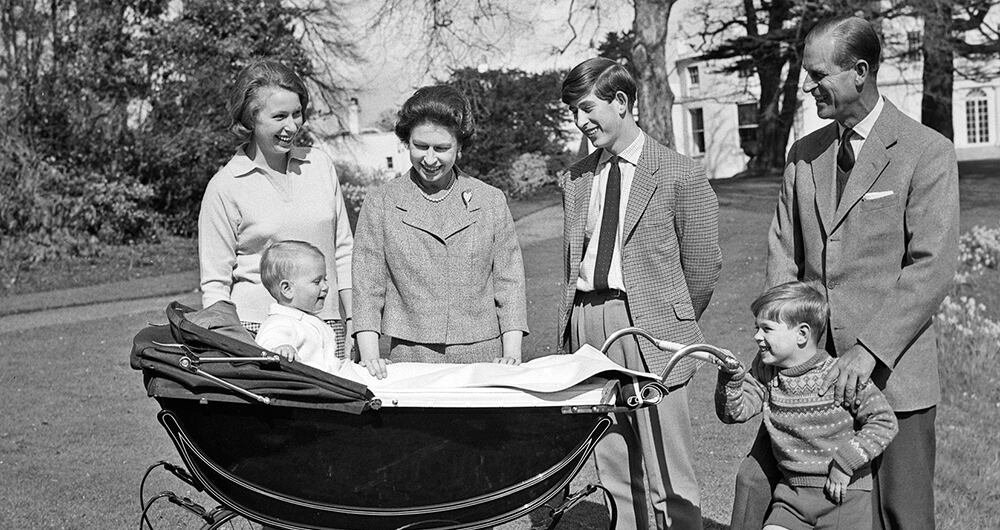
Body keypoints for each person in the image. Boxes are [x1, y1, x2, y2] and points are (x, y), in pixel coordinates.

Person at [730, 16, 960, 530]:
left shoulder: (927, 151)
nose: (807, 87)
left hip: (895, 378)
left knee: (902, 515)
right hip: (804, 379)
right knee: (757, 487)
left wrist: (870, 349)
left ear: (860, 72)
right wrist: (781, 340)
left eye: (818, 75)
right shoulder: (803, 156)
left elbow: (932, 266)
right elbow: (783, 253)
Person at [558, 57, 722, 530]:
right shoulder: (575, 178)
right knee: (612, 460)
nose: (580, 121)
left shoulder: (678, 173)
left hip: (648, 328)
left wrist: (667, 320)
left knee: (668, 466)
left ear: (621, 102)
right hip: (588, 323)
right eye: (573, 112)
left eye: (587, 108)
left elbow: (703, 267)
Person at [352, 85, 528, 379]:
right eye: (421, 146)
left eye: (442, 148)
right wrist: (370, 357)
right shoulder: (381, 202)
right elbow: (367, 286)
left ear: (460, 147)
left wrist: (511, 353)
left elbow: (509, 281)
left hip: (484, 355)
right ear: (406, 142)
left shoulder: (490, 200)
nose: (430, 159)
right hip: (409, 356)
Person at [198, 60, 354, 359]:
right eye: (279, 116)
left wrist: (354, 321)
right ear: (251, 119)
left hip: (327, 323)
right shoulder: (225, 186)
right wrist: (230, 345)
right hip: (258, 331)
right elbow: (215, 282)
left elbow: (344, 250)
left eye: (297, 114)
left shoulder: (319, 165)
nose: (292, 126)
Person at [717, 281, 898, 530]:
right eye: (756, 328)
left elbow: (884, 422)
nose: (756, 336)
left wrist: (845, 463)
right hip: (792, 497)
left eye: (766, 329)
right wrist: (730, 380)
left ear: (802, 334)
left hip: (844, 499)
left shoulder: (840, 376)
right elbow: (734, 413)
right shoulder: (767, 376)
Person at [254, 240, 343, 373]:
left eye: (325, 279)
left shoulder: (310, 320)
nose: (325, 287)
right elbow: (269, 343)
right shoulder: (280, 322)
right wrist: (280, 348)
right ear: (287, 289)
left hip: (330, 380)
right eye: (317, 282)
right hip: (307, 383)